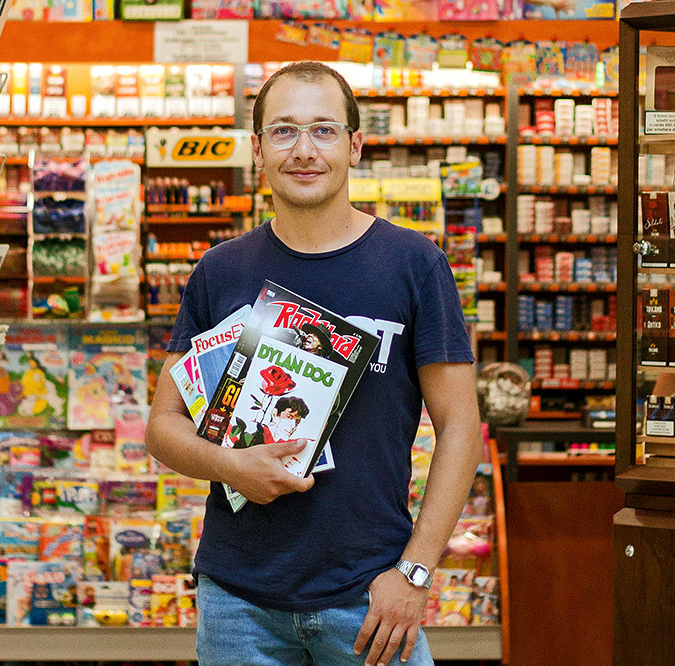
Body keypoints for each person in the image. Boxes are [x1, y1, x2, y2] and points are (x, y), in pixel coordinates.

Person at [146, 60, 482, 666]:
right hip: (237, 602)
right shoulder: (220, 271)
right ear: (258, 150)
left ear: (355, 145)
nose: (304, 150)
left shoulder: (414, 265)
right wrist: (228, 464)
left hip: (372, 596)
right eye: (284, 131)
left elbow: (460, 428)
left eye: (324, 130)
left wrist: (415, 573)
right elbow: (162, 426)